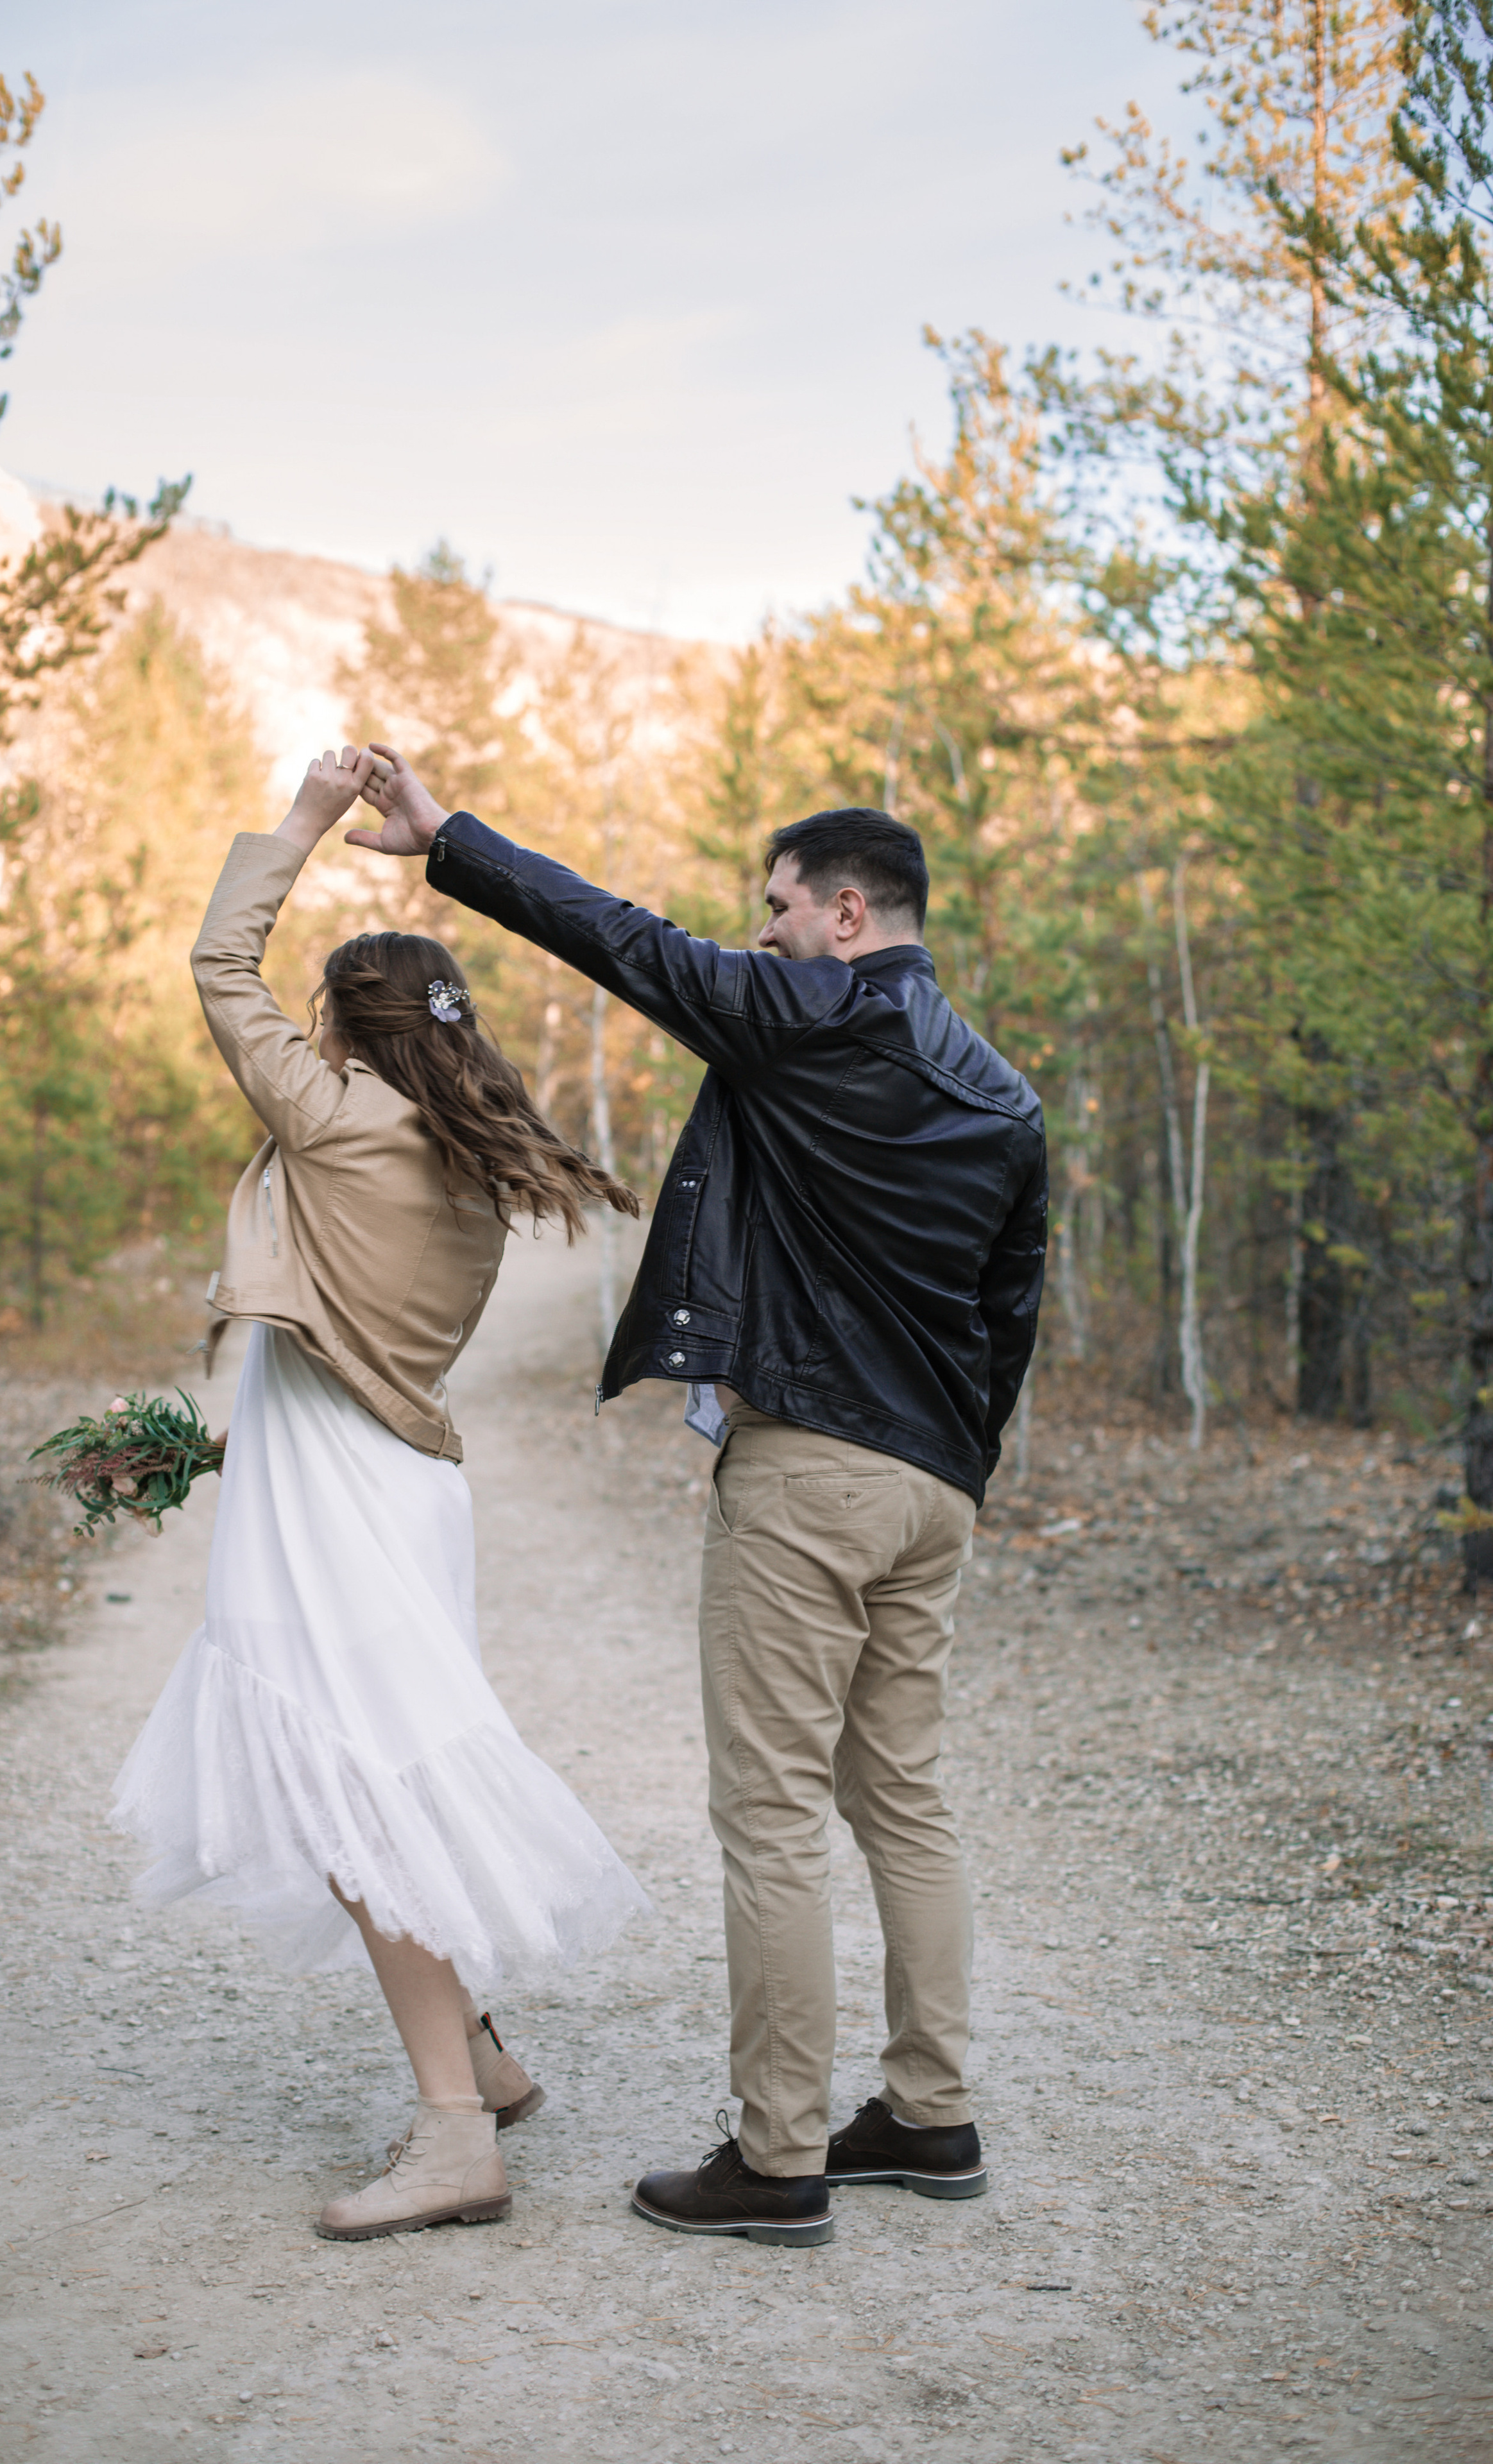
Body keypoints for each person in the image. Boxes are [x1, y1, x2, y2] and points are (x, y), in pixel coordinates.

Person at [340, 746, 1047, 2250]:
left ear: (849, 914)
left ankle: (778, 2155)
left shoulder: (810, 1017)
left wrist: (443, 837)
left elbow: (622, 939)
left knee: (774, 1811)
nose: (763, 932)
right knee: (902, 1799)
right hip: (932, 1489)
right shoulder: (1000, 1090)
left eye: (780, 906)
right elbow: (1009, 1311)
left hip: (810, 1477)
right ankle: (929, 2117)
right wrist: (954, 1466)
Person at [112, 747, 648, 2243]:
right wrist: (190, 1454)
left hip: (344, 1509)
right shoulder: (466, 1166)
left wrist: (298, 823)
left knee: (360, 1797)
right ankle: (475, 2055)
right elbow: (344, 1350)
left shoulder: (335, 1121)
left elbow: (220, 962)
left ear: (346, 1030)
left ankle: (453, 2133)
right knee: (378, 1775)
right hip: (382, 1484)